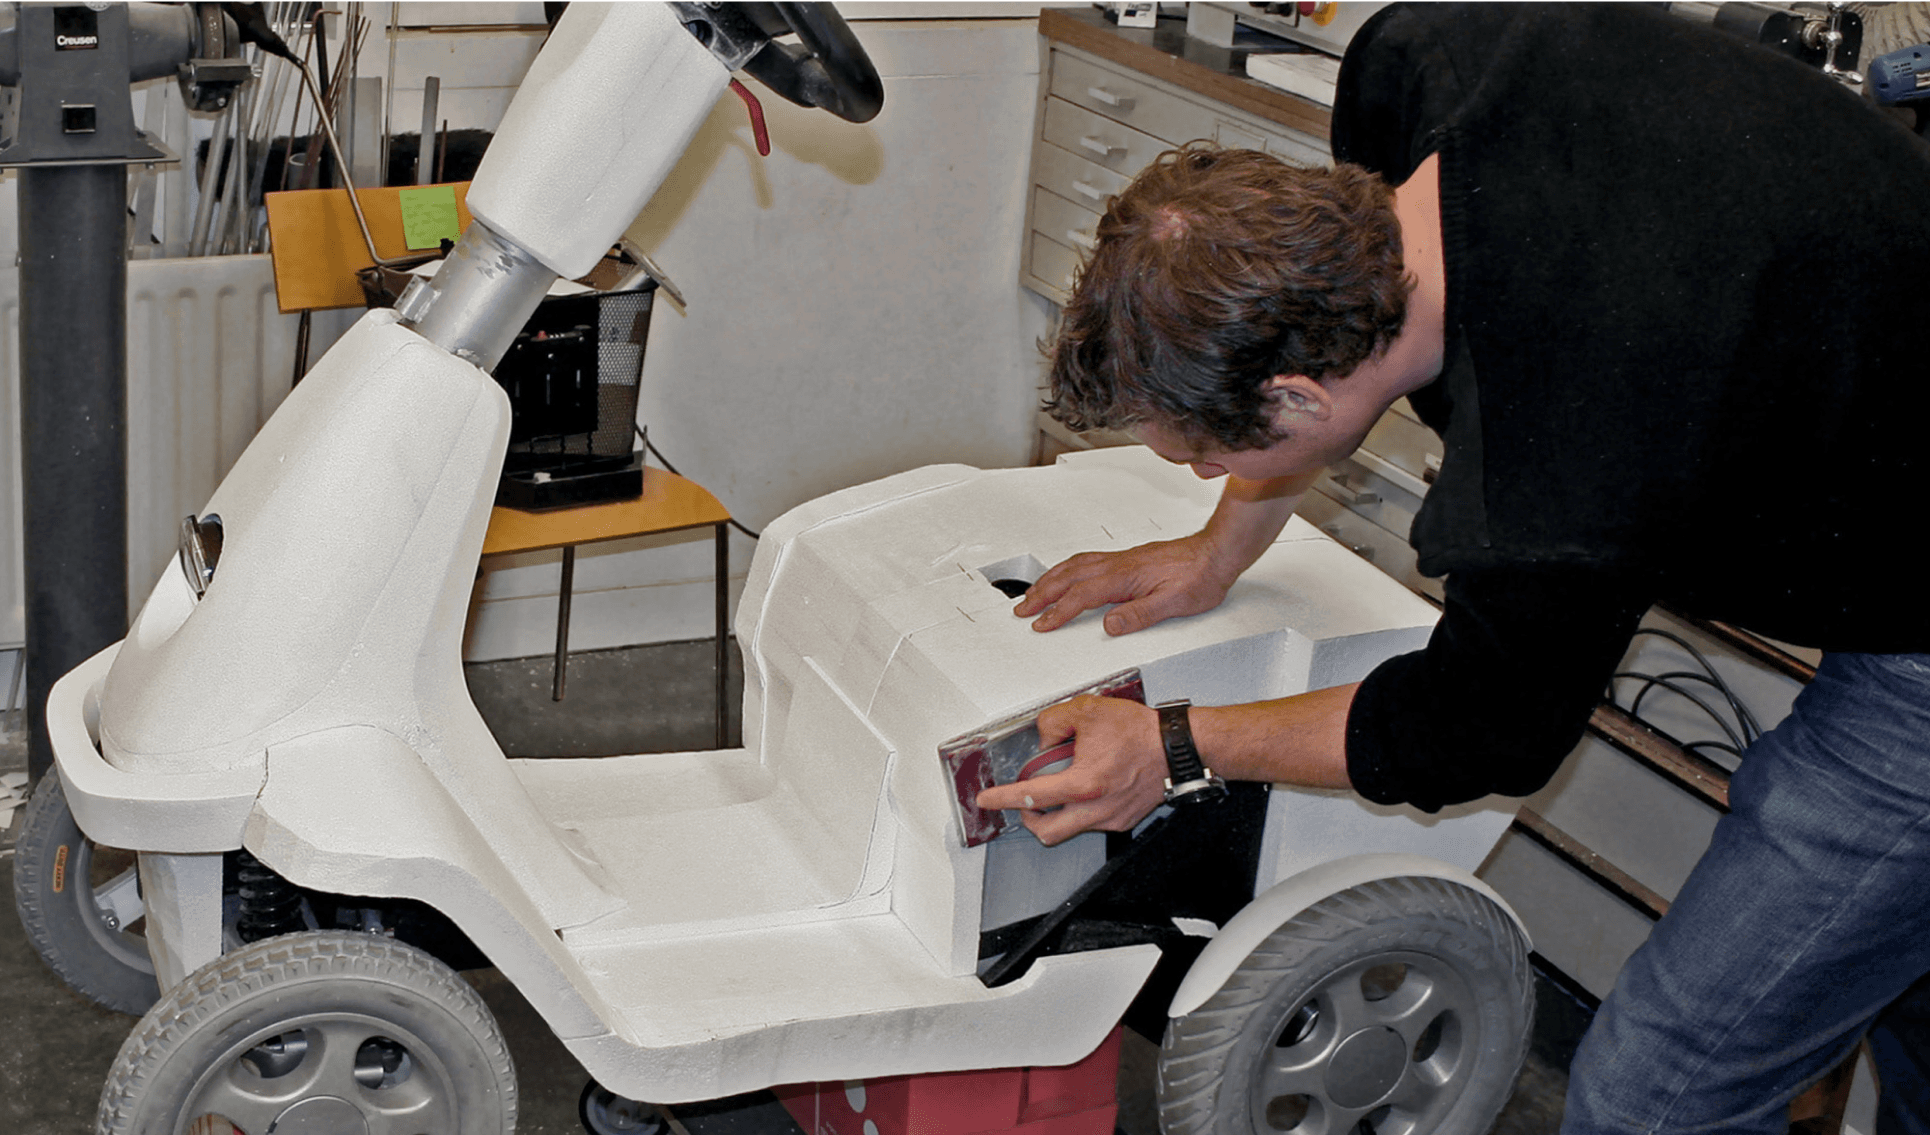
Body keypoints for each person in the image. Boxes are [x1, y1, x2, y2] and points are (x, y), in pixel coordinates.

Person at [972, 4, 1930, 1132]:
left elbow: (1474, 729)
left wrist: (1172, 743)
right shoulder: (1421, 64)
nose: (1196, 475)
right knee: (1892, 963)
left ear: (1294, 401)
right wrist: (1215, 550)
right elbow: (1315, 338)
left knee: (1655, 1096)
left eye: (1204, 454)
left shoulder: (1562, 439)